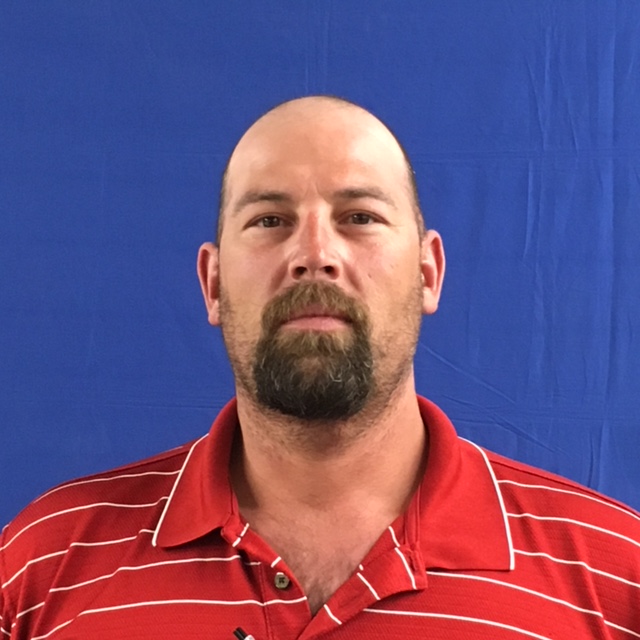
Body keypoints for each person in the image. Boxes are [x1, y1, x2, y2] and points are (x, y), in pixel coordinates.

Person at [1, 96, 639, 640]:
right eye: (269, 220)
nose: (314, 254)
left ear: (428, 273)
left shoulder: (616, 581)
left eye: (359, 217)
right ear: (213, 284)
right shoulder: (40, 568)